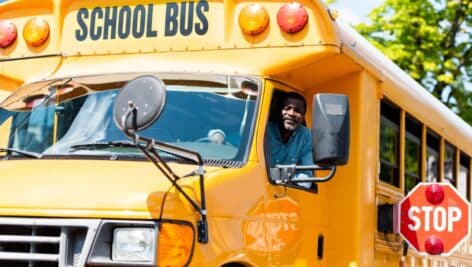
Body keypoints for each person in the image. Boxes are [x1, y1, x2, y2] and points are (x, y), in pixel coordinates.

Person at [267, 91, 313, 187]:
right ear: (278, 111)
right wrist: (289, 174)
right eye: (287, 108)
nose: (291, 113)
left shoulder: (307, 136)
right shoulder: (264, 129)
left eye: (297, 111)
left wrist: (276, 175)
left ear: (303, 116)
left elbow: (307, 179)